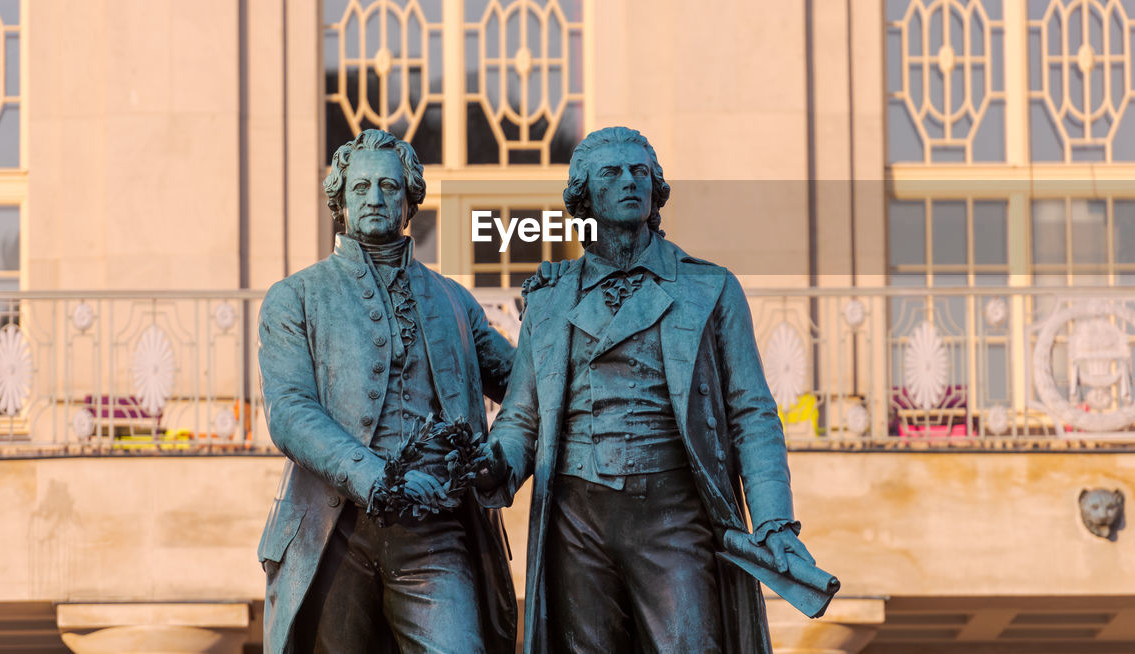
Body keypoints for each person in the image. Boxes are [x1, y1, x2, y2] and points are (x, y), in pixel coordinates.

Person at [478, 126, 816, 653]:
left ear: (656, 189)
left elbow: (753, 413)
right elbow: (522, 416)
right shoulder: (549, 297)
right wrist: (493, 465)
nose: (629, 181)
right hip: (576, 517)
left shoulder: (709, 286)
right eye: (611, 172)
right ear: (583, 195)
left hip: (672, 513)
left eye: (641, 171)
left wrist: (773, 520)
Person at [257, 129, 515, 654]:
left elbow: (524, 384)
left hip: (437, 530)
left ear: (409, 200)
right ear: (340, 199)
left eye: (388, 187)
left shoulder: (454, 301)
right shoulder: (295, 298)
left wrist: (494, 456)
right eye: (360, 188)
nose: (374, 198)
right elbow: (289, 411)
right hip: (335, 530)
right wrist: (373, 477)